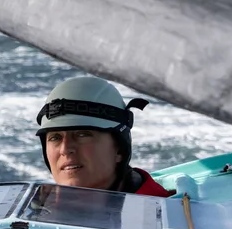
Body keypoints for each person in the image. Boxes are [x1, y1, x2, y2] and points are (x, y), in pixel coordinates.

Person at [35, 76, 172, 197]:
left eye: (82, 134)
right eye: (55, 138)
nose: (65, 149)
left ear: (119, 149)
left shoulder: (163, 219)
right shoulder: (36, 211)